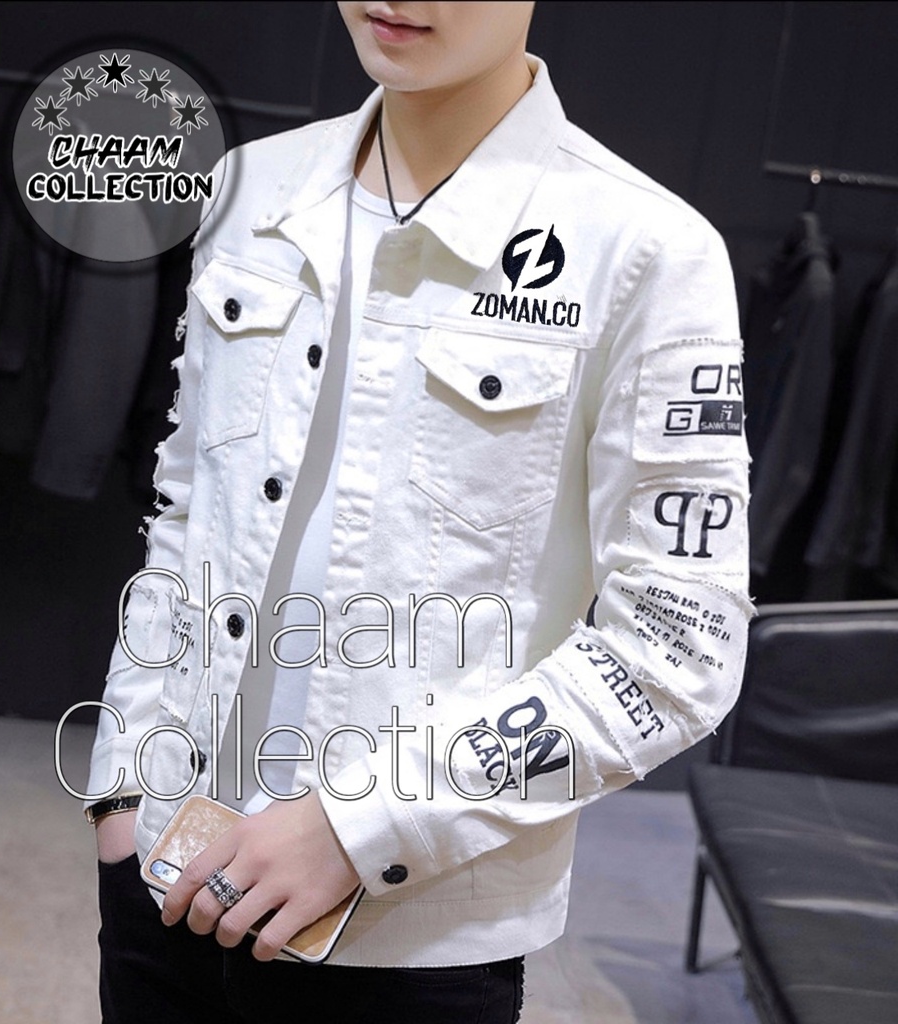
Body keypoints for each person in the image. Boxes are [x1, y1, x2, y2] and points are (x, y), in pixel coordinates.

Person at [83, 3, 753, 1021]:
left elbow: (676, 646)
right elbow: (185, 511)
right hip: (167, 870)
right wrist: (126, 782)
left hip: (412, 940)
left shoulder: (646, 250)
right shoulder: (250, 186)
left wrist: (362, 825)